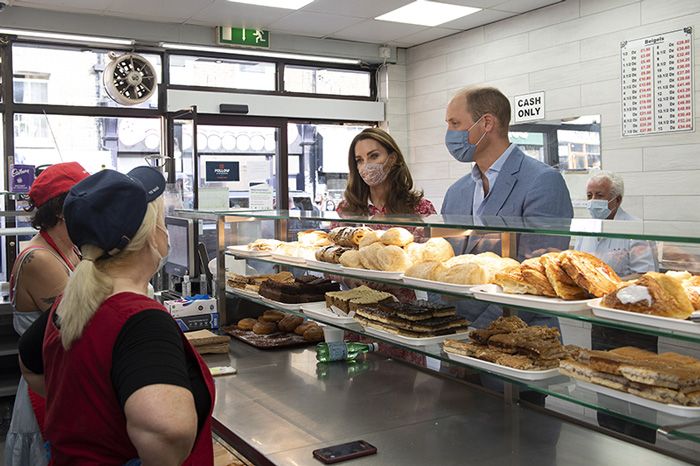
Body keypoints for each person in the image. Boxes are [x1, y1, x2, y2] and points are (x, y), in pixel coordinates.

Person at [18, 167, 215, 465]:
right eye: (161, 220)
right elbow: (168, 432)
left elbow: (30, 364)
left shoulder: (72, 301)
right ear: (149, 235)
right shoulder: (140, 321)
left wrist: (98, 412)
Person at [441, 86, 574, 329]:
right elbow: (441, 269)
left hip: (521, 336)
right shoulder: (455, 193)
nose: (449, 133)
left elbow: (537, 278)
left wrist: (480, 330)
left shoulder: (542, 182)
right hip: (454, 333)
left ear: (487, 123)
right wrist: (445, 323)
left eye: (455, 123)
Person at [5, 162, 89, 466]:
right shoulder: (40, 259)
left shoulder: (72, 249)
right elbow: (83, 320)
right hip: (47, 383)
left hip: (65, 376)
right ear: (64, 209)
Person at [573, 171, 658, 443]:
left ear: (616, 199)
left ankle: (643, 450)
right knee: (605, 384)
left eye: (599, 196)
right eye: (589, 195)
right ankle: (609, 443)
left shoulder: (635, 228)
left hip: (634, 323)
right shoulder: (587, 228)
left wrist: (609, 283)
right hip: (601, 320)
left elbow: (646, 277)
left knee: (640, 389)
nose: (593, 201)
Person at [337, 127, 437, 222]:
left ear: (392, 159)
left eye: (374, 156)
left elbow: (438, 239)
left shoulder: (420, 207)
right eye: (359, 160)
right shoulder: (346, 209)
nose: (366, 165)